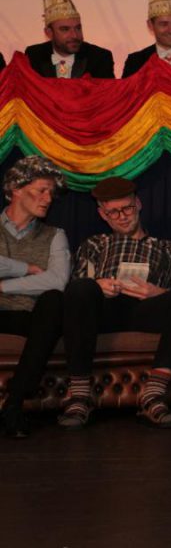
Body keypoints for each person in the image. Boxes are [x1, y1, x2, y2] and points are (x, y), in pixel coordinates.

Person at [57, 177, 171, 430]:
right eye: (113, 212)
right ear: (103, 214)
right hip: (104, 311)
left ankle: (153, 394)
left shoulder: (168, 247)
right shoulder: (95, 244)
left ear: (138, 204)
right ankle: (79, 396)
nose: (122, 217)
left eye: (127, 208)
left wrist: (157, 292)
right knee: (81, 288)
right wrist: (98, 285)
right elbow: (74, 290)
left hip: (146, 310)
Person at [0, 157, 70, 439]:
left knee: (54, 299)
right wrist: (25, 268)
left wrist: (3, 287)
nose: (48, 199)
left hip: (31, 317)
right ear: (16, 189)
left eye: (51, 193)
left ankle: (14, 403)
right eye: (41, 190)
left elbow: (57, 280)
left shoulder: (55, 235)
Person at [24, 0, 115, 80]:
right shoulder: (33, 55)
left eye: (78, 28)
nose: (75, 35)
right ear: (49, 33)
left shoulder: (100, 57)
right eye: (65, 29)